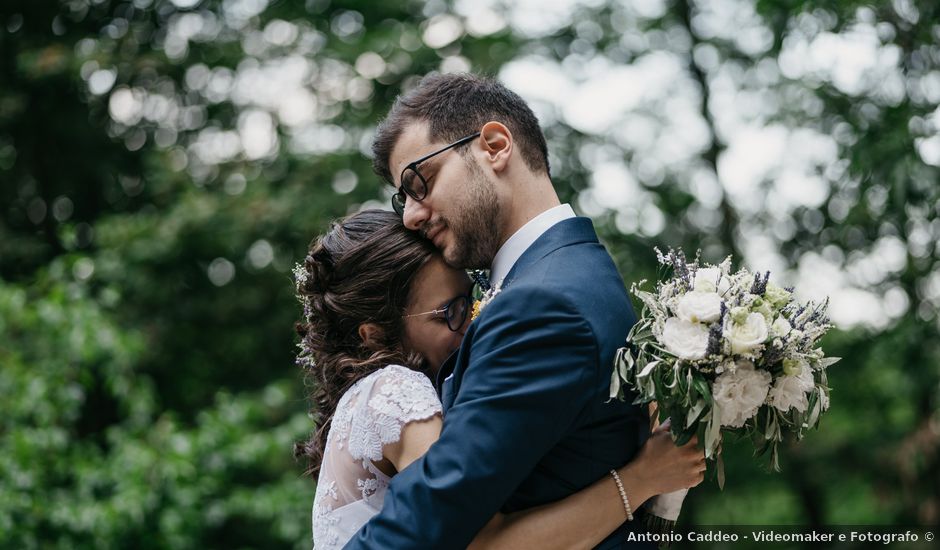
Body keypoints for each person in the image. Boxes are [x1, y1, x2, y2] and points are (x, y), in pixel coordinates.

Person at [345, 72, 675, 549]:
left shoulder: (543, 305)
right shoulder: (565, 277)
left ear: (495, 146)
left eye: (420, 182)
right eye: (403, 198)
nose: (411, 216)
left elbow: (433, 514)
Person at [294, 210, 704, 549]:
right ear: (375, 334)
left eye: (471, 302)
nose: (470, 327)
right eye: (449, 313)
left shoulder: (365, 396)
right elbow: (491, 545)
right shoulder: (398, 391)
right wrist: (642, 478)